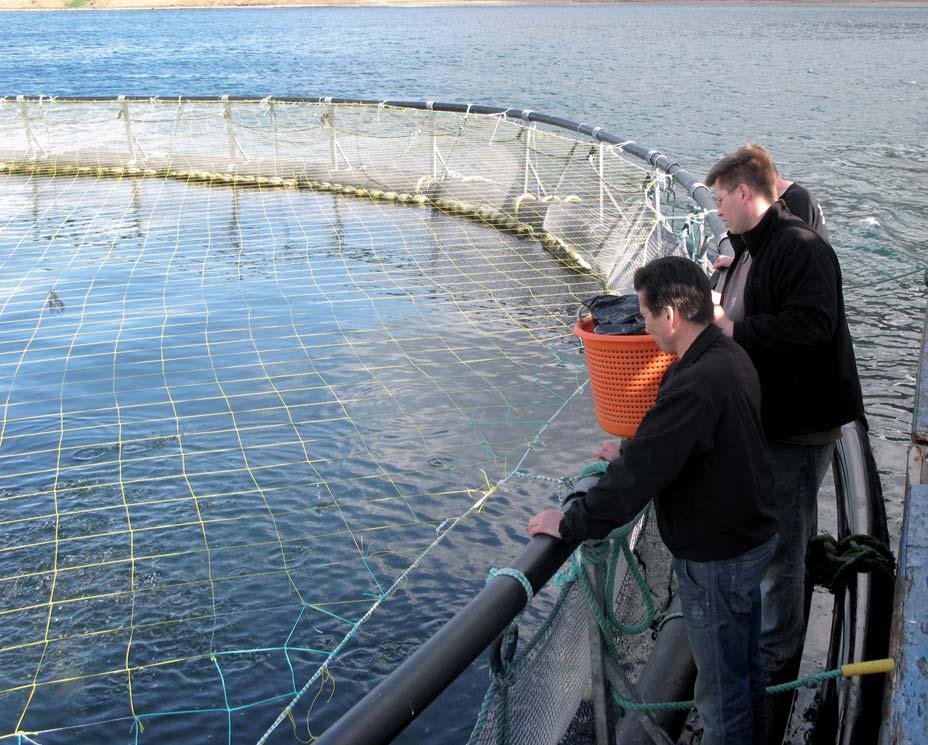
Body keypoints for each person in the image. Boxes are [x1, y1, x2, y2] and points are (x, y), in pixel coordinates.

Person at [528, 256, 778, 745]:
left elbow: (635, 481)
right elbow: (688, 443)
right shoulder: (726, 357)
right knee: (745, 673)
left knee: (721, 697)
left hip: (719, 558)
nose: (642, 325)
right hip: (750, 540)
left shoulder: (697, 382)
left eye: (644, 314)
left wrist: (572, 522)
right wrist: (633, 446)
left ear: (670, 316)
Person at [706, 145, 864, 683]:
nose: (719, 210)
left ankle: (778, 661)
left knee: (782, 548)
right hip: (777, 421)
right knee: (785, 534)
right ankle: (776, 642)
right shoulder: (759, 246)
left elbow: (814, 326)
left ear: (746, 193)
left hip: (798, 429)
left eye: (722, 198)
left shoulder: (800, 247)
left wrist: (735, 330)